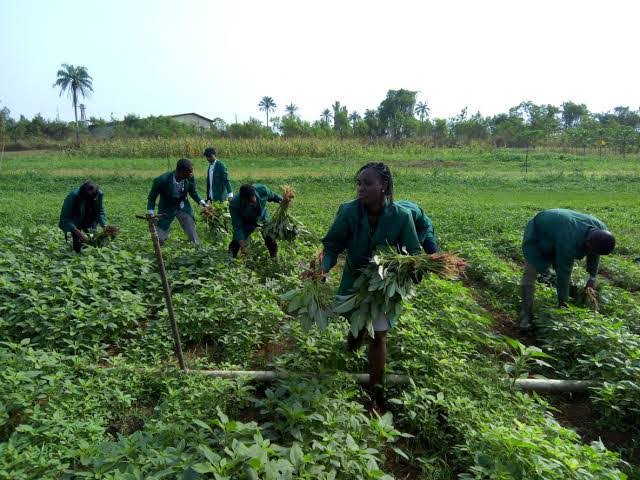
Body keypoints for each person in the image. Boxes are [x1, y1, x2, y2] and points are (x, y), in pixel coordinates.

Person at [321, 162, 421, 412]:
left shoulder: (401, 216)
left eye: (367, 183)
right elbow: (333, 245)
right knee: (356, 326)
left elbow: (414, 254)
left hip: (383, 284)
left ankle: (376, 394)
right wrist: (323, 267)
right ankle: (351, 348)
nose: (361, 188)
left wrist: (412, 268)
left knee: (378, 336)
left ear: (383, 186)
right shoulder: (348, 212)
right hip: (355, 280)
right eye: (359, 183)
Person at [520, 208, 615, 330]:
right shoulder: (568, 241)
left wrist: (592, 278)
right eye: (591, 249)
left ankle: (561, 291)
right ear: (587, 242)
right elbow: (564, 273)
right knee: (530, 273)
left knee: (562, 263)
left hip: (560, 228)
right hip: (540, 230)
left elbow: (594, 255)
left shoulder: (601, 230)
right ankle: (526, 315)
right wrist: (563, 306)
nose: (591, 252)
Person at [147, 159, 206, 246]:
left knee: (190, 228)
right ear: (180, 172)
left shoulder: (189, 177)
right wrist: (151, 213)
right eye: (188, 173)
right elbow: (152, 198)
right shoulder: (161, 180)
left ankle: (197, 248)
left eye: (191, 172)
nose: (191, 175)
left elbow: (193, 192)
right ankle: (159, 253)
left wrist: (203, 203)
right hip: (167, 208)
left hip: (182, 206)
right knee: (160, 236)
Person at [228, 183, 286, 258]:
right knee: (236, 243)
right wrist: (243, 246)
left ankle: (274, 257)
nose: (252, 204)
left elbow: (273, 196)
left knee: (270, 237)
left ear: (255, 194)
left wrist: (283, 200)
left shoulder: (262, 190)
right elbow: (237, 227)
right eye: (249, 203)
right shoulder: (234, 205)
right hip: (246, 221)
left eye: (253, 201)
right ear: (243, 200)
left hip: (262, 216)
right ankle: (230, 260)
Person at [59, 181, 108, 252]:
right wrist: (78, 233)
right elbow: (66, 218)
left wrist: (104, 226)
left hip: (91, 216)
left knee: (92, 238)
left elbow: (100, 211)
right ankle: (77, 254)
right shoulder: (72, 197)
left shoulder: (98, 194)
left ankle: (93, 254)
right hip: (76, 218)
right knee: (77, 243)